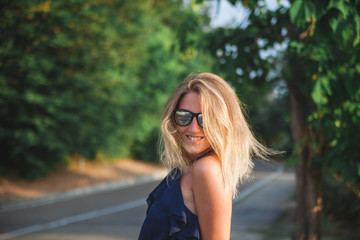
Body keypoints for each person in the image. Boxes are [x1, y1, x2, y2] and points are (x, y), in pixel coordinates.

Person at [138, 73, 274, 240]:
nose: (194, 128)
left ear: (222, 123)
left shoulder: (207, 169)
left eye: (206, 119)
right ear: (172, 118)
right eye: (184, 116)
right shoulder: (189, 166)